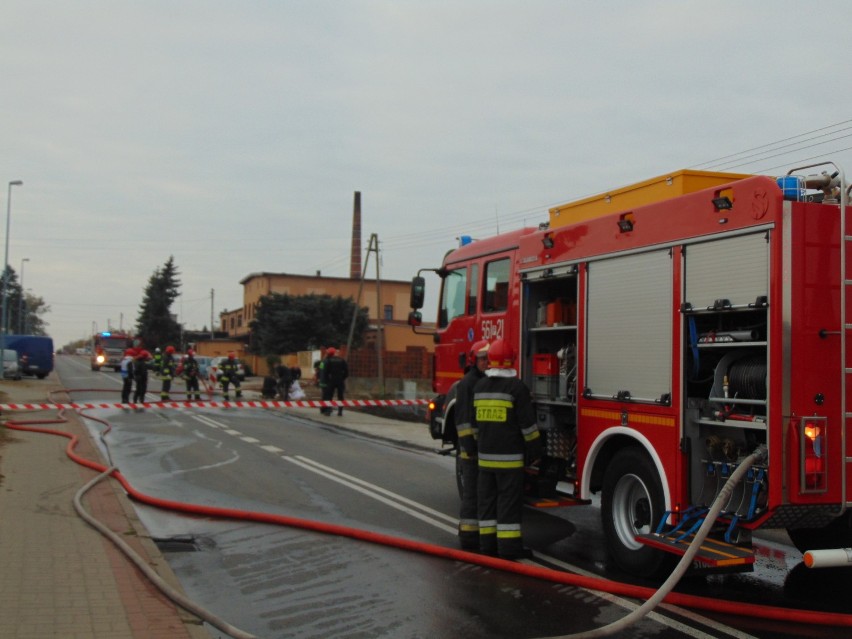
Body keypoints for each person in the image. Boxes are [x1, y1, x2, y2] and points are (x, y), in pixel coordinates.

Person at [473, 338, 542, 560]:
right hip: (509, 461)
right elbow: (528, 427)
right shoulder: (517, 388)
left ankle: (488, 546)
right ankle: (509, 548)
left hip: (484, 460)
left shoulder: (480, 387)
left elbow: (476, 427)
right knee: (508, 505)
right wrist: (536, 451)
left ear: (490, 360)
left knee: (487, 503)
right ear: (511, 360)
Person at [455, 339, 490, 551]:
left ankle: (477, 535)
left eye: (487, 358)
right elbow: (464, 420)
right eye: (482, 359)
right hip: (471, 451)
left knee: (481, 494)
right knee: (471, 495)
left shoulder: (482, 380)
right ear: (473, 360)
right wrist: (468, 447)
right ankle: (468, 538)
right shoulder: (468, 383)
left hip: (481, 448)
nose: (486, 362)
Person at [320, 347, 348, 416]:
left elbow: (324, 372)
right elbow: (347, 372)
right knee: (340, 396)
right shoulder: (342, 360)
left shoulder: (326, 361)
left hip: (330, 381)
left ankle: (328, 411)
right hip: (340, 381)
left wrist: (324, 381)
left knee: (329, 396)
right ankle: (340, 411)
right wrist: (342, 378)